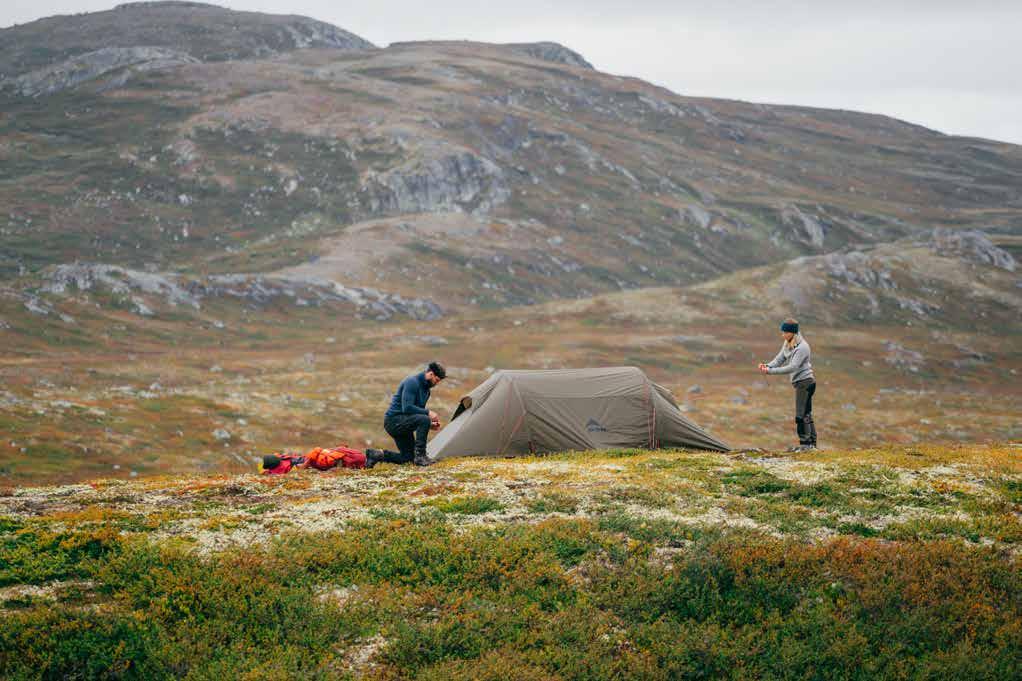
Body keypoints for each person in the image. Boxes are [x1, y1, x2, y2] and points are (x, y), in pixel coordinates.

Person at [366, 361, 445, 467]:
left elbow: (416, 413)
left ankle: (377, 455)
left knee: (408, 459)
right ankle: (421, 456)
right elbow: (407, 408)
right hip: (394, 421)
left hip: (403, 423)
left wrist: (428, 425)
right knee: (424, 419)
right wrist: (428, 413)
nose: (436, 383)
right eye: (437, 380)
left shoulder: (426, 391)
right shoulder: (412, 382)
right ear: (431, 374)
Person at [759, 318, 817, 451]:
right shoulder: (788, 343)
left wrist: (770, 371)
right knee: (806, 413)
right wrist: (767, 366)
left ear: (792, 332)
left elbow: (792, 367)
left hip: (805, 383)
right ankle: (811, 444)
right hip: (800, 383)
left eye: (785, 332)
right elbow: (780, 359)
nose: (783, 335)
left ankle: (806, 445)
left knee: (800, 415)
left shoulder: (802, 347)